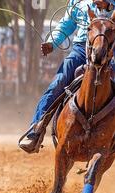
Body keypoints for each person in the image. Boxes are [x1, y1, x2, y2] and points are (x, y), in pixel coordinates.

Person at [19, 0, 115, 153]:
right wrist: (52, 42)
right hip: (82, 49)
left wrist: (109, 6)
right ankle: (35, 131)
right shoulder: (77, 1)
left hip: (109, 49)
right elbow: (66, 24)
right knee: (59, 82)